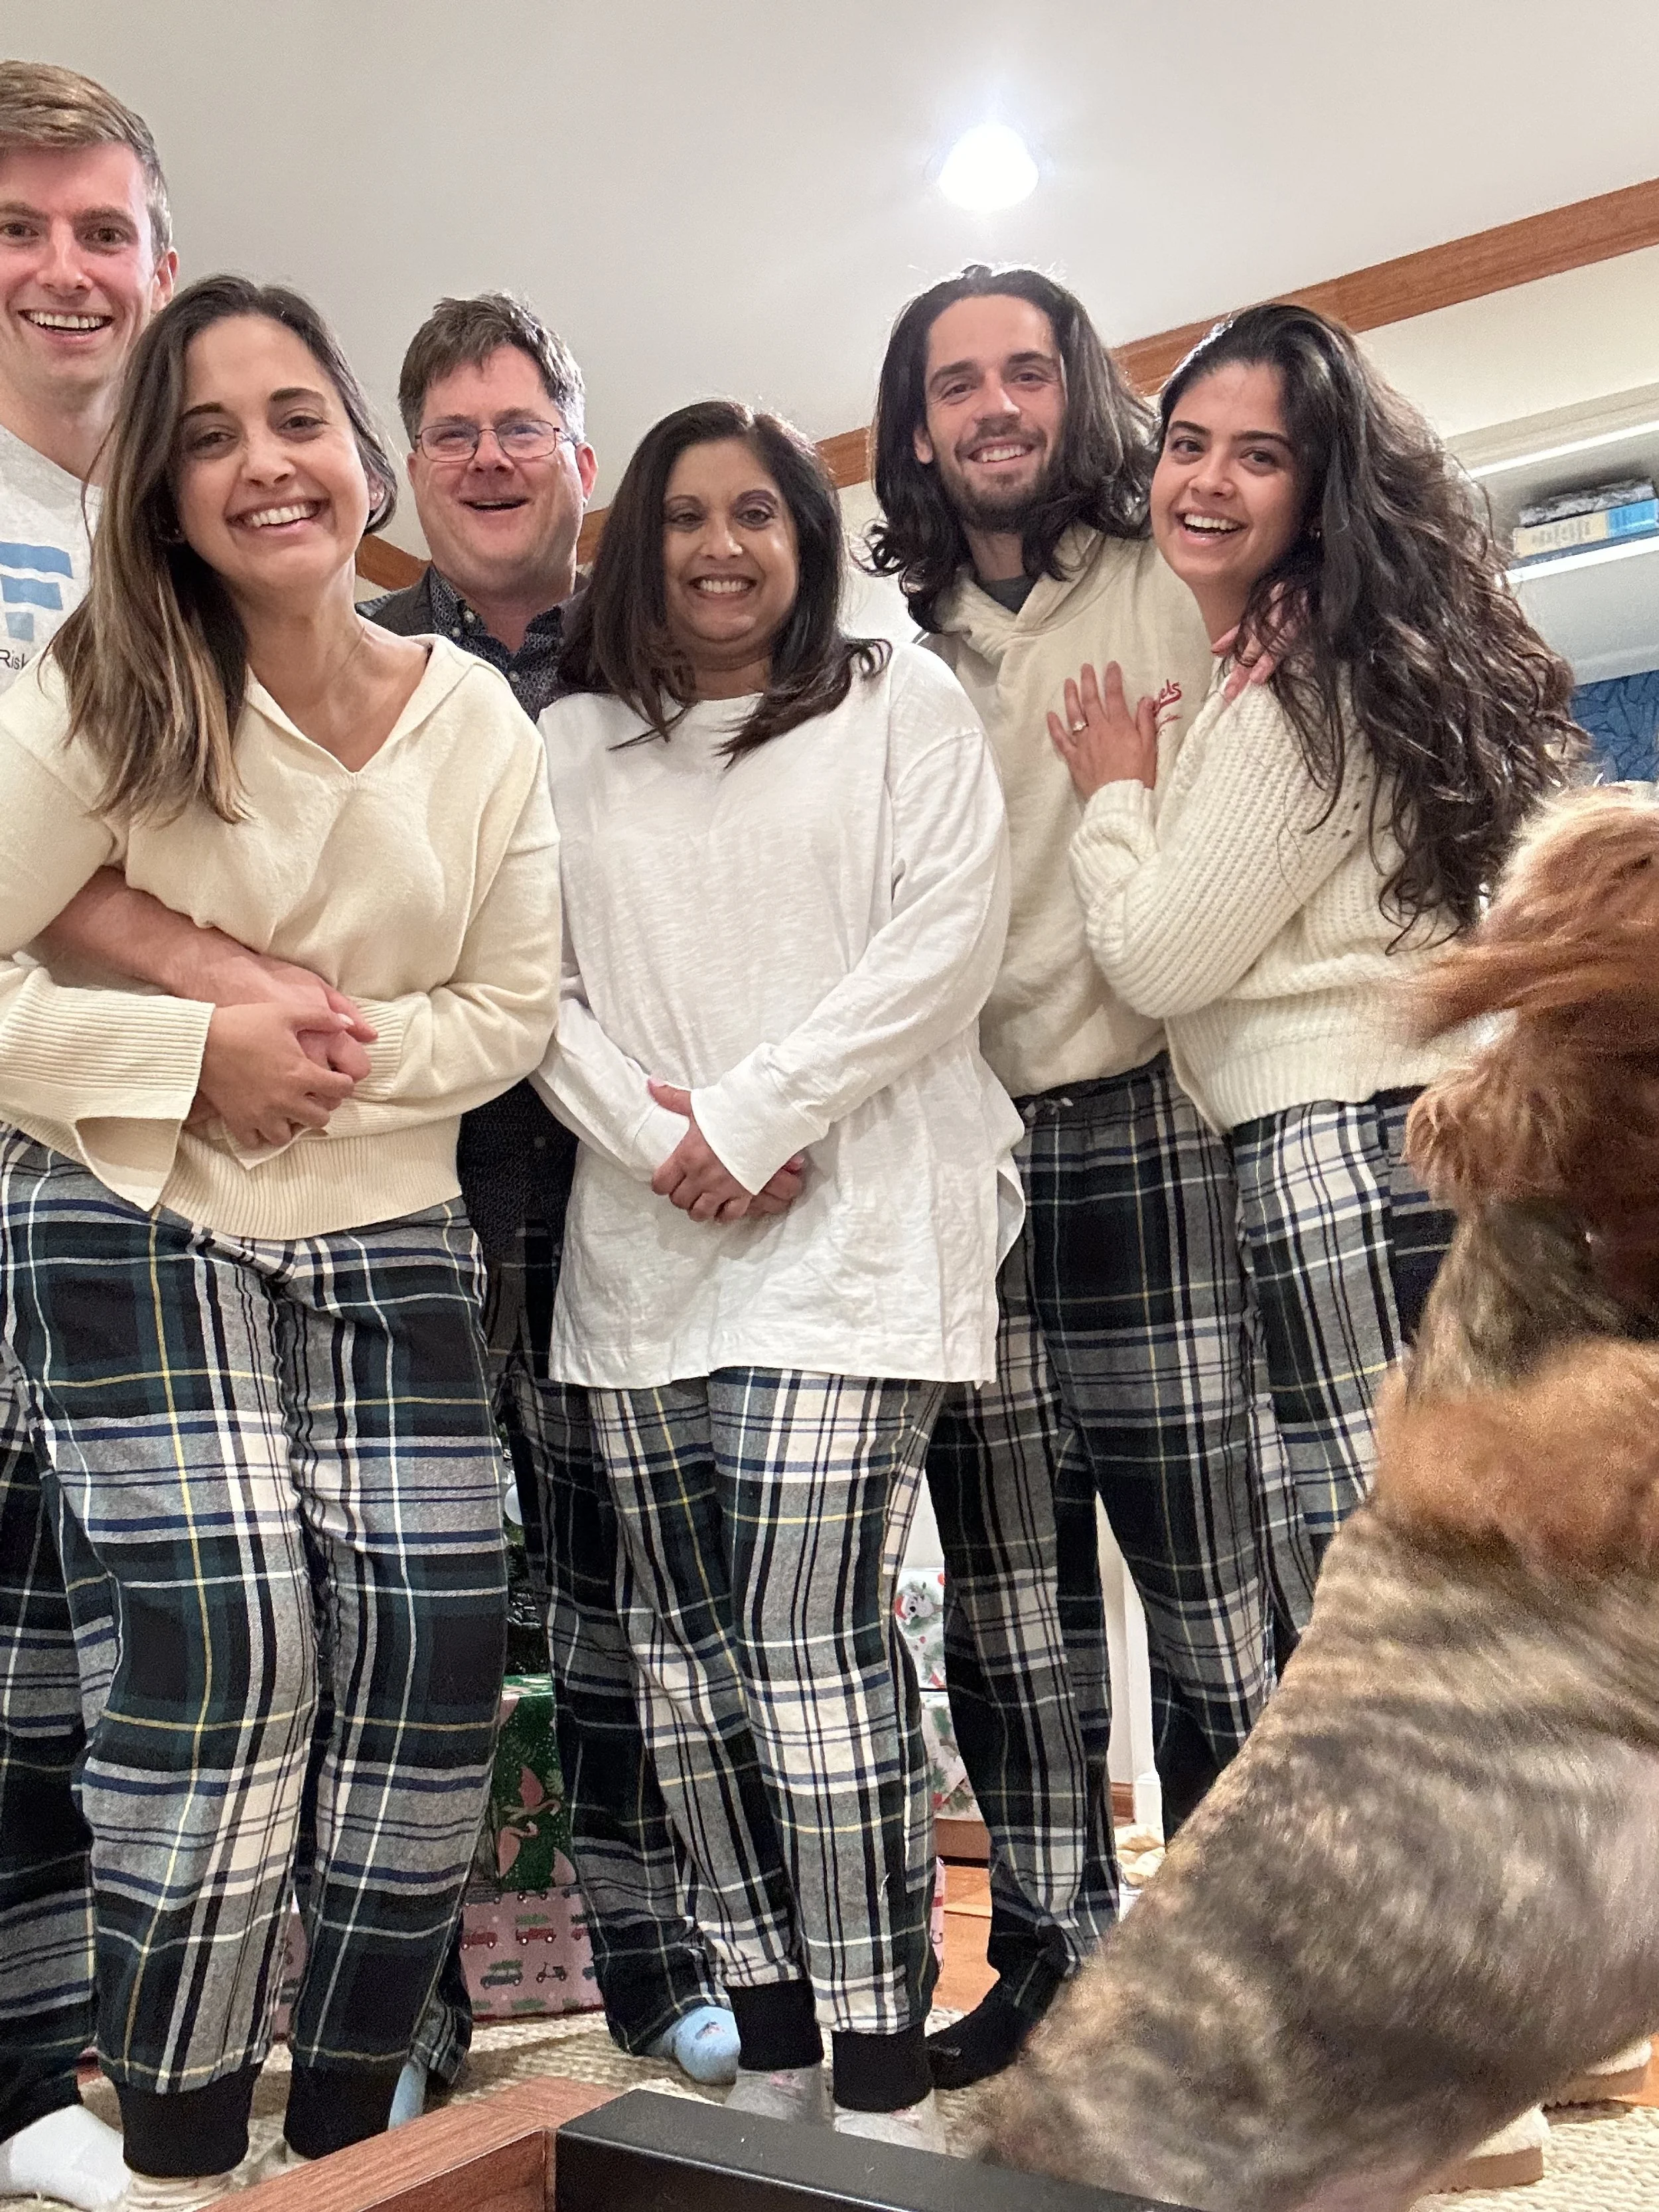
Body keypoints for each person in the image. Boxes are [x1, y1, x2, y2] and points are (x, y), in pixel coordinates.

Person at [0, 273, 558, 2208]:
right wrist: (185, 1048)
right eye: (210, 432)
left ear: (363, 453)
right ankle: (167, 2141)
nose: (262, 461)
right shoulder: (88, 689)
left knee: (424, 1661)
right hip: (135, 1209)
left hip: (392, 1224)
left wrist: (308, 1052)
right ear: (157, 488)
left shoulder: (477, 719)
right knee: (229, 1656)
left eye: (296, 416)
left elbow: (513, 1007)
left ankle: (336, 2135)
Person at [537, 399, 1021, 2150]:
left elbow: (944, 941)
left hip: (855, 1225)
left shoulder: (900, 701)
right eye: (684, 513)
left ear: (808, 542)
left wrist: (757, 1109)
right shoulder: (569, 741)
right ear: (637, 540)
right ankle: (780, 2034)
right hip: (642, 1242)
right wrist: (661, 1131)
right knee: (684, 1661)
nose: (721, 543)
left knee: (809, 1643)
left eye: (759, 511)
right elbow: (523, 978)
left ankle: (882, 2062)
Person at [864, 263, 1275, 2089]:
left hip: (1152, 1127)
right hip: (968, 1152)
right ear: (918, 420)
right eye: (957, 383)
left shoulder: (1170, 574)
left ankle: (1241, 1966)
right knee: (1007, 1606)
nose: (996, 407)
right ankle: (1050, 1956)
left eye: (1027, 370)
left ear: (1077, 389)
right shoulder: (879, 632)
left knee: (1211, 1586)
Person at [1050, 299, 1578, 1623]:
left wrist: (1111, 795)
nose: (1205, 481)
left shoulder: (1300, 680)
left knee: (1398, 1600)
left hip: (1344, 1152)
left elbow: (1160, 958)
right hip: (1394, 1146)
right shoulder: (1315, 662)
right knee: (1442, 1578)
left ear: (1320, 487)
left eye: (1258, 455)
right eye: (1185, 443)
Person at [366, 290, 739, 2101]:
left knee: (632, 1610)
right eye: (454, 434)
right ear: (408, 469)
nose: (492, 459)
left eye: (522, 426)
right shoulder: (348, 663)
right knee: (417, 1629)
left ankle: (659, 1969)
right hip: (411, 1197)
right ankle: (408, 2021)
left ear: (582, 456)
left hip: (635, 1194)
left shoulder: (681, 647)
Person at [0, 60, 175, 2212]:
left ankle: (43, 2073)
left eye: (99, 230)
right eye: (21, 230)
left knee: (78, 1640)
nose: (60, 268)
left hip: (134, 1165)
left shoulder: (185, 524)